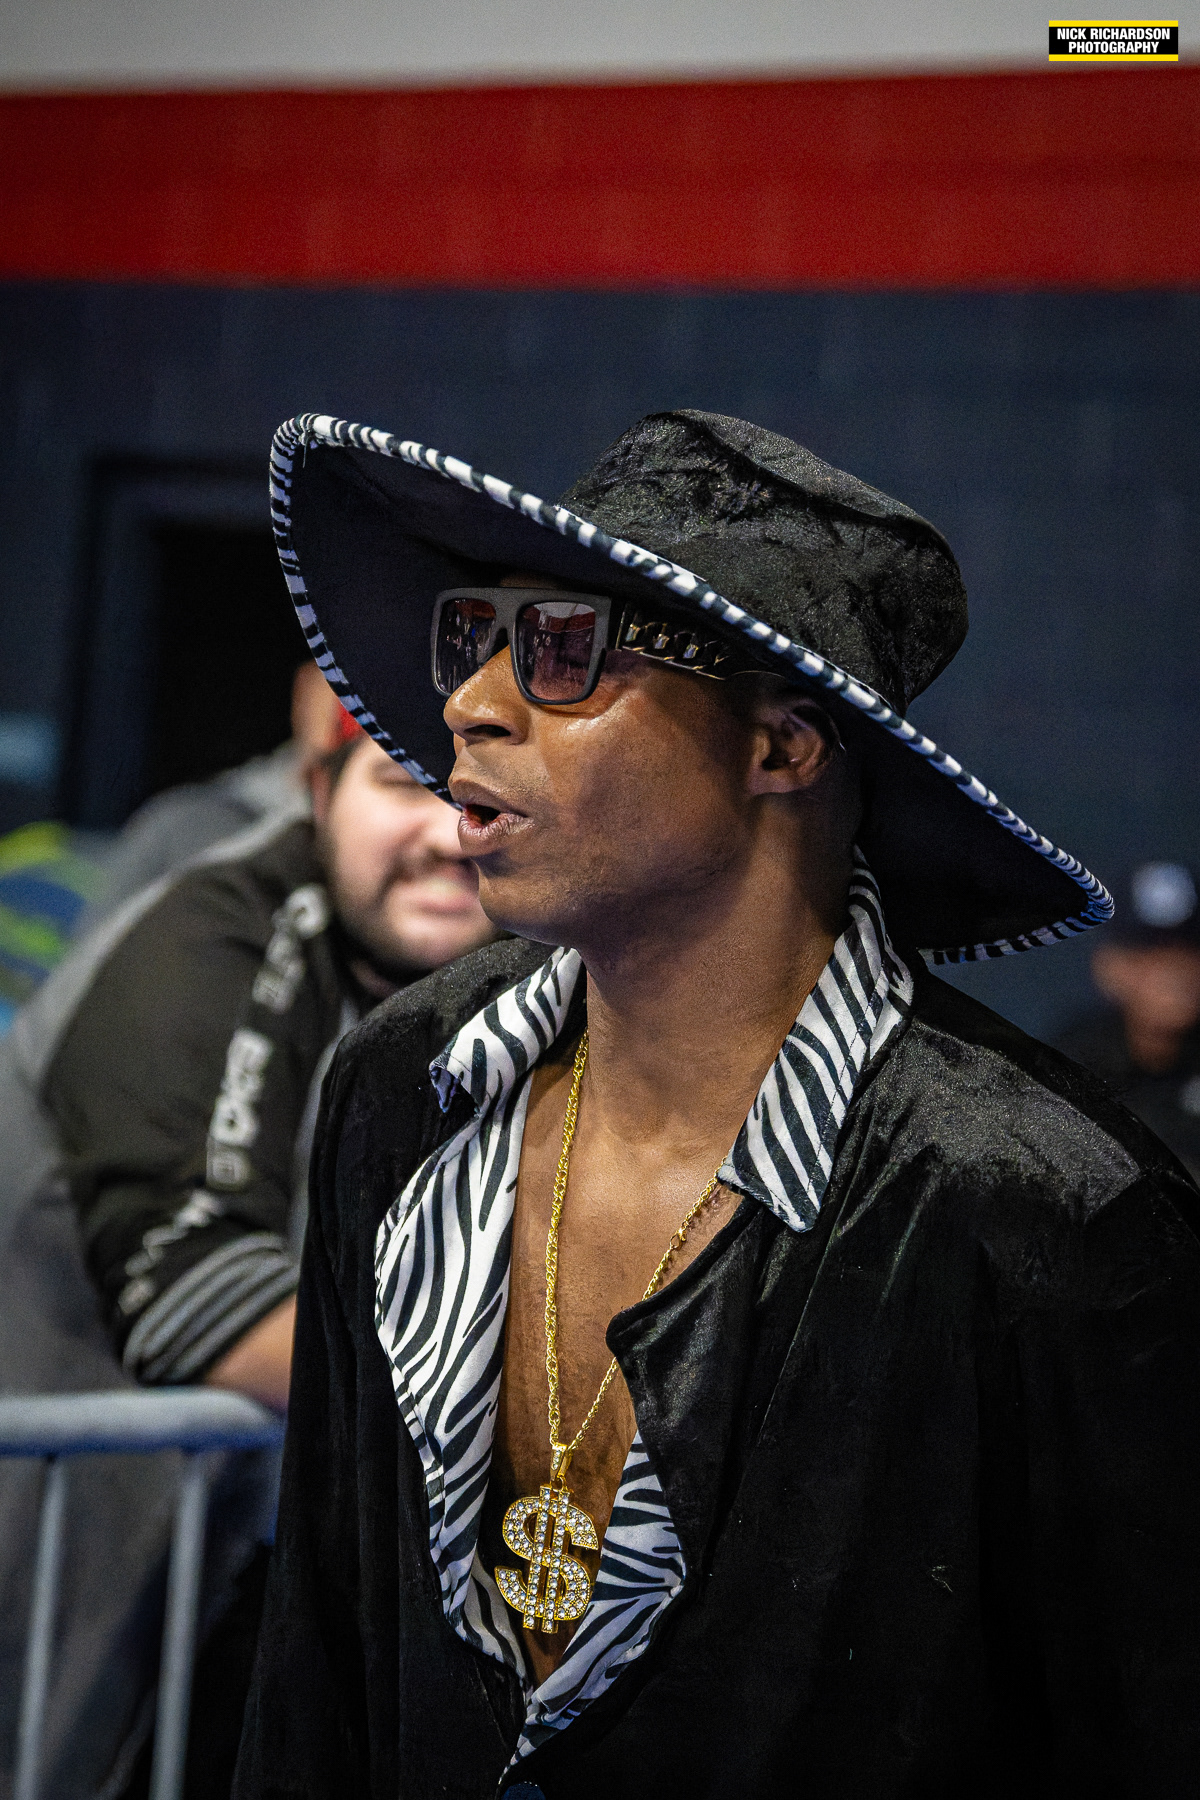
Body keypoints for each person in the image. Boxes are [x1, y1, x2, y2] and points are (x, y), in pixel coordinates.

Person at [236, 409, 1200, 1798]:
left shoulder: (1040, 1205)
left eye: (563, 649)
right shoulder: (409, 1086)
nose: (470, 705)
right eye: (475, 638)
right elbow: (317, 1665)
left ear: (782, 748)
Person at [0, 721, 496, 1799]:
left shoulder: (507, 978)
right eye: (401, 783)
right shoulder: (214, 926)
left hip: (218, 1574)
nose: (445, 832)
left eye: (480, 796)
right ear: (317, 790)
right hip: (53, 1545)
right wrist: (527, 1423)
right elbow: (197, 1295)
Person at [1056, 859, 1200, 1180]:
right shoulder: (1068, 1071)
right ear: (1109, 967)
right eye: (1148, 949)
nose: (1174, 967)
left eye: (1190, 946)